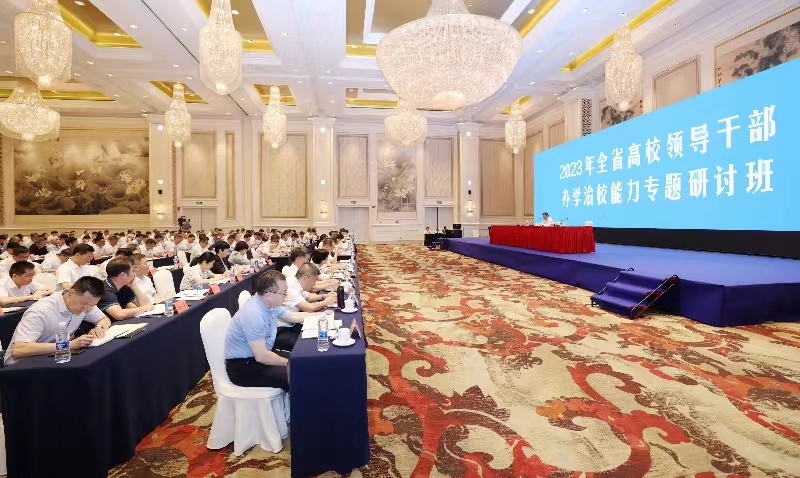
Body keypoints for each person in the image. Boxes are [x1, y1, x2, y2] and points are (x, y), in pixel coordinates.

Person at [224, 271, 313, 390]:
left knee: (304, 361)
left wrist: (321, 315)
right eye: (283, 293)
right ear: (269, 294)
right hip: (243, 367)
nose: (285, 296)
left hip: (260, 355)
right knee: (299, 375)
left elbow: (292, 316)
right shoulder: (254, 313)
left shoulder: (269, 304)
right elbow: (261, 357)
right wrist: (289, 363)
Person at [3, 276, 110, 366]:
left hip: (54, 356)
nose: (86, 309)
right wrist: (68, 345)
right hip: (22, 365)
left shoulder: (86, 303)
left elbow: (104, 319)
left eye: (92, 305)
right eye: (84, 304)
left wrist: (98, 328)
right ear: (71, 293)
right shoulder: (41, 311)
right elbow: (18, 350)